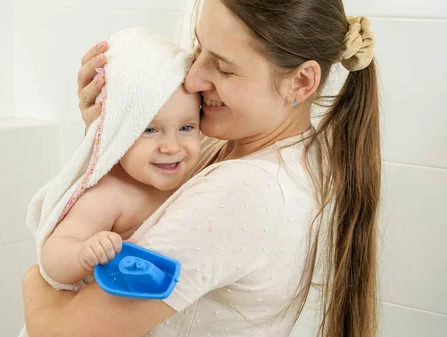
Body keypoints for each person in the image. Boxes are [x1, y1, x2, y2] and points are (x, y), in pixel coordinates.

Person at [21, 0, 380, 336]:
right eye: (198, 49)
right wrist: (112, 133)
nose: (192, 79)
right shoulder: (248, 149)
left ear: (301, 82)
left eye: (223, 67)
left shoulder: (247, 190)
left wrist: (33, 281)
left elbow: (61, 332)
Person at [42, 84, 201, 285]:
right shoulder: (108, 194)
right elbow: (52, 256)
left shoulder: (197, 175)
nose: (171, 147)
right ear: (116, 134)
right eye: (150, 130)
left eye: (186, 128)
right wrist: (84, 254)